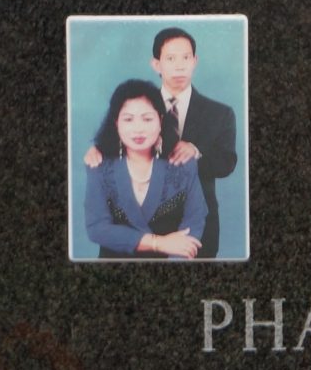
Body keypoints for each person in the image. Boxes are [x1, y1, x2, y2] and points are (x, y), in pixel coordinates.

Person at [85, 26, 238, 260]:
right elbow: (116, 135)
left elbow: (227, 163)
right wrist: (100, 149)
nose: (179, 66)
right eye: (170, 58)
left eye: (185, 58)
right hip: (131, 237)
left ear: (195, 61)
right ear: (156, 64)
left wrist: (195, 152)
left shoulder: (220, 113)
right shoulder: (138, 101)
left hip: (194, 230)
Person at [82, 79, 207, 261]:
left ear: (160, 120)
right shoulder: (99, 166)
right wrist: (158, 243)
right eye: (128, 119)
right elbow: (97, 228)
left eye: (147, 119)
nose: (138, 129)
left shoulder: (183, 164)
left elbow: (194, 221)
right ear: (116, 123)